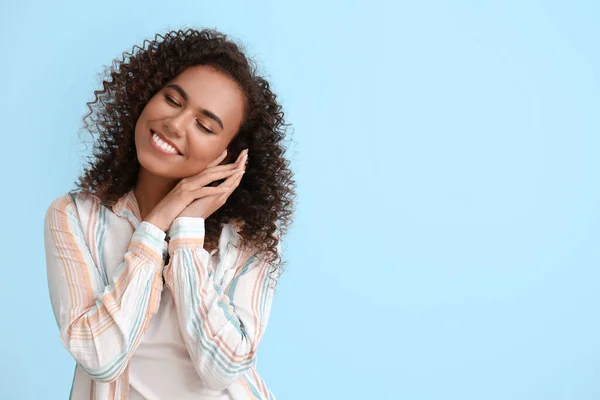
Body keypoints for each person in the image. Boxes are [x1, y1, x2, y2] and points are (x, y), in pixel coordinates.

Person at [43, 28, 295, 400]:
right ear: (146, 97)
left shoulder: (247, 236)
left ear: (228, 157)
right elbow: (101, 358)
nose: (175, 125)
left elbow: (221, 370)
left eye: (205, 126)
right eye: (173, 100)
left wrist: (187, 234)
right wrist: (153, 227)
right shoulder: (74, 217)